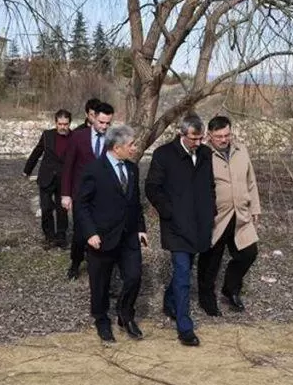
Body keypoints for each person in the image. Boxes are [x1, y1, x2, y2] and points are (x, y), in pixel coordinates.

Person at [145, 114, 215, 347]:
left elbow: (210, 185)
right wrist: (168, 211)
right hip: (175, 226)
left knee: (184, 271)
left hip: (199, 224)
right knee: (184, 274)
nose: (198, 142)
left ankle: (169, 301)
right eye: (194, 138)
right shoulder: (163, 155)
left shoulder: (205, 154)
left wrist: (211, 210)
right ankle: (185, 327)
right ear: (181, 134)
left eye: (201, 138)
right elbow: (152, 187)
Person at [74, 125, 147, 342]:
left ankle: (125, 314)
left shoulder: (132, 169)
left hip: (129, 236)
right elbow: (81, 205)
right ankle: (101, 320)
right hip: (102, 237)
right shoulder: (94, 170)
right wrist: (90, 233)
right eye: (131, 145)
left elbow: (135, 202)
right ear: (117, 147)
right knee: (100, 283)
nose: (134, 148)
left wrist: (141, 228)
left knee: (134, 276)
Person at [197, 115, 261, 314]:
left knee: (248, 253)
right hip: (216, 216)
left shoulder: (241, 151)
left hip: (240, 213)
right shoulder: (203, 154)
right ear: (210, 135)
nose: (224, 139)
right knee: (211, 260)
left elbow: (251, 181)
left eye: (227, 135)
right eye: (219, 136)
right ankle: (206, 298)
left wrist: (255, 208)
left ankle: (230, 289)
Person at [61, 101, 114, 280]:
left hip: (104, 196)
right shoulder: (78, 137)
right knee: (79, 234)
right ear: (93, 118)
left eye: (108, 123)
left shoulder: (112, 139)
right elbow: (68, 167)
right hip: (81, 195)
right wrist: (66, 194)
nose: (104, 126)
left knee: (101, 231)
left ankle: (98, 265)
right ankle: (75, 263)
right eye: (101, 122)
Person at [23, 109, 72, 249]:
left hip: (64, 179)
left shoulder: (74, 137)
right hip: (46, 177)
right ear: (55, 123)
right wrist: (27, 170)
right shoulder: (47, 135)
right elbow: (37, 152)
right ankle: (49, 237)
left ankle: (61, 237)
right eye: (60, 124)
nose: (63, 127)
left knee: (62, 209)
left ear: (69, 123)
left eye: (65, 124)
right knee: (46, 209)